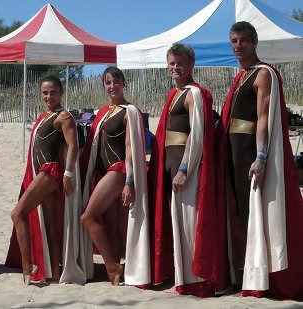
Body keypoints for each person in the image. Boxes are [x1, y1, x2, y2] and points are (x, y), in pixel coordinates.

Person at [216, 21, 303, 299]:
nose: (238, 46)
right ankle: (247, 270)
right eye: (234, 41)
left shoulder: (262, 74)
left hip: (248, 153)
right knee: (241, 214)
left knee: (253, 214)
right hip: (232, 150)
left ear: (254, 43)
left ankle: (261, 274)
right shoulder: (240, 76)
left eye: (243, 40)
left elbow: (263, 118)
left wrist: (262, 157)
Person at [148, 43, 226, 297]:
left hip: (185, 168)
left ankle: (195, 281)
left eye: (180, 63)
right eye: (171, 63)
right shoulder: (175, 93)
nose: (175, 67)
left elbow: (197, 133)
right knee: (178, 224)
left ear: (191, 65)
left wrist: (184, 169)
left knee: (190, 224)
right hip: (172, 165)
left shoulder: (192, 93)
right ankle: (182, 279)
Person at [6, 76, 88, 286]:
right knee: (50, 223)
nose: (48, 96)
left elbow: (73, 146)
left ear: (60, 93)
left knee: (17, 214)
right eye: (45, 92)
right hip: (42, 173)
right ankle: (53, 269)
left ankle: (27, 267)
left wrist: (68, 173)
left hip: (50, 172)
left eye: (53, 92)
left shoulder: (63, 116)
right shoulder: (46, 115)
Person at [80, 66, 150, 286]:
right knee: (110, 224)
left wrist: (130, 181)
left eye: (116, 81)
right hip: (103, 172)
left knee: (87, 217)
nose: (113, 86)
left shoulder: (129, 111)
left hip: (118, 171)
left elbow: (131, 147)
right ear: (104, 85)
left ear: (124, 83)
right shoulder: (103, 112)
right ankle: (116, 270)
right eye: (108, 82)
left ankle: (112, 265)